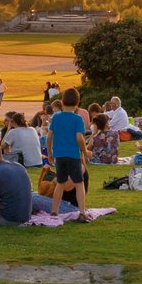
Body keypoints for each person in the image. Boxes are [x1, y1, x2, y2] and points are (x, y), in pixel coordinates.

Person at [46, 89, 91, 220]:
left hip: (59, 155)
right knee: (79, 183)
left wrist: (49, 153)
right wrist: (84, 151)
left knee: (60, 183)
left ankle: (54, 211)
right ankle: (82, 212)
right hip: (73, 155)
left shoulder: (56, 117)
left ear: (62, 101)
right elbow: (79, 138)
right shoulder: (77, 119)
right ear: (77, 103)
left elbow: (49, 137)